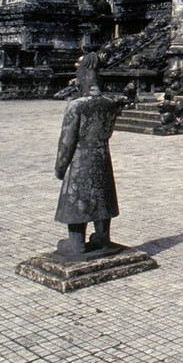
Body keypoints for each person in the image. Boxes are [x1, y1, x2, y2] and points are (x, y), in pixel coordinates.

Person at [54, 84, 124, 256]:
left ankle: (76, 243)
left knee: (77, 198)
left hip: (81, 157)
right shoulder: (110, 103)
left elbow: (67, 140)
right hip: (102, 155)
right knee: (102, 196)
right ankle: (103, 237)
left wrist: (60, 167)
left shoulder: (76, 105)